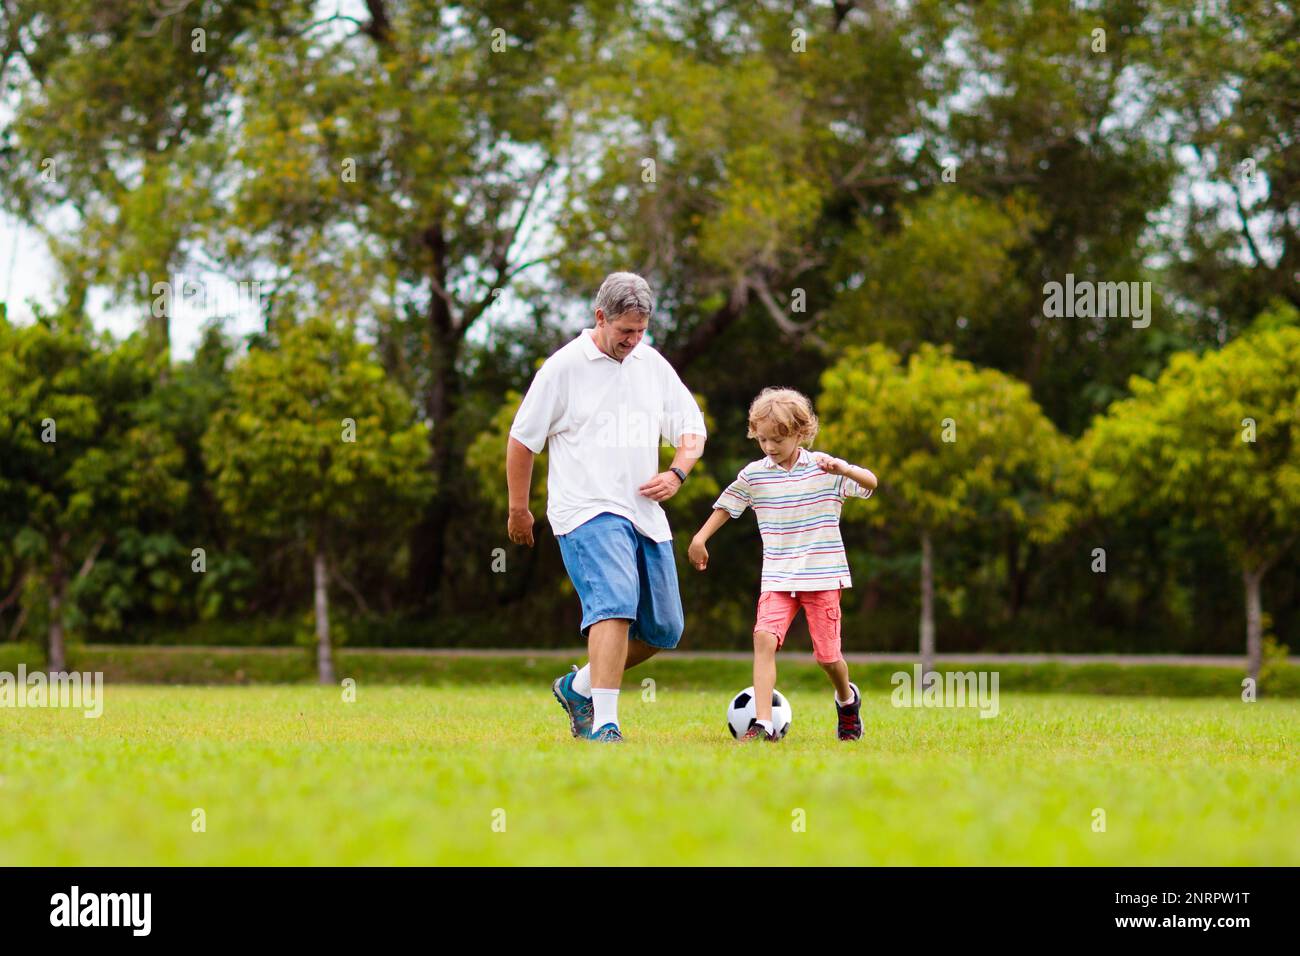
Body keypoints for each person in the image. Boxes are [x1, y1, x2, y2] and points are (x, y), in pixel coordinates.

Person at [506, 272, 707, 742]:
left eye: (641, 332)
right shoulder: (563, 368)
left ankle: (577, 687)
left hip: (644, 513)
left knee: (663, 629)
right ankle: (606, 723)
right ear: (600, 317)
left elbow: (691, 430)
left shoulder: (652, 365)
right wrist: (518, 509)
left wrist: (677, 471)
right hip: (586, 509)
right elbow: (522, 441)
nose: (633, 341)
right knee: (614, 604)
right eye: (625, 332)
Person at [689, 387, 877, 741]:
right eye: (762, 440)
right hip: (777, 578)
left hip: (822, 577)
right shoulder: (754, 475)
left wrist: (845, 468)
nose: (770, 447)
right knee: (763, 639)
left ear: (800, 433)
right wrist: (700, 539)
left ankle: (846, 699)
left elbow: (872, 484)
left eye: (777, 439)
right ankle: (763, 724)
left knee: (827, 658)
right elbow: (727, 506)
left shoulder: (825, 469)